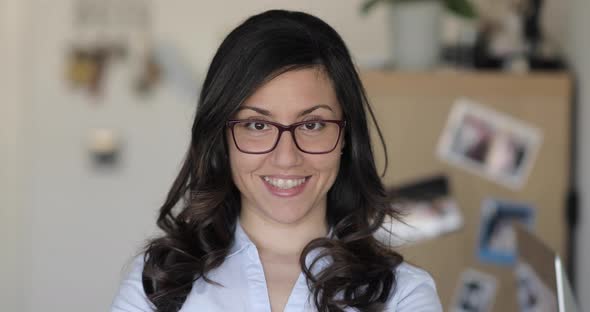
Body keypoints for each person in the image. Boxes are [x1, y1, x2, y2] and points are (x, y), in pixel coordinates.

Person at [111, 9, 442, 312]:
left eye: (313, 125)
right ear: (222, 139)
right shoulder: (157, 285)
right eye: (257, 125)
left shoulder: (403, 295)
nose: (286, 158)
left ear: (346, 137)